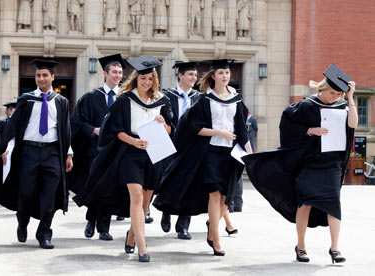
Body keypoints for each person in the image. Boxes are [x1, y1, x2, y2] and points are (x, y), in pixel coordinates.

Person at [243, 64, 357, 264]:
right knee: (305, 204)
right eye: (332, 93)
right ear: (321, 89)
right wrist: (309, 131)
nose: (334, 96)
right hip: (310, 163)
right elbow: (288, 127)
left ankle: (335, 248)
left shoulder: (342, 105)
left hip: (331, 163)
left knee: (333, 205)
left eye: (338, 93)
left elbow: (353, 125)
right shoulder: (306, 106)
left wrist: (350, 97)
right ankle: (301, 246)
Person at [74, 54, 173, 262]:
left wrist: (163, 123)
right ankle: (143, 247)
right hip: (131, 153)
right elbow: (114, 130)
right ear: (136, 78)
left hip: (154, 153)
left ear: (154, 80)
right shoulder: (125, 99)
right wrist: (132, 141)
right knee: (136, 196)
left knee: (145, 202)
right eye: (142, 78)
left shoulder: (162, 101)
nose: (146, 83)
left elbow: (171, 129)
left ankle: (131, 235)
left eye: (150, 79)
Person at [153, 59, 252, 256]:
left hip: (230, 155)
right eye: (221, 73)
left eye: (227, 73)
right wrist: (219, 132)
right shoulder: (205, 100)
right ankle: (216, 239)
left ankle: (211, 228)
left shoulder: (237, 99)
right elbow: (194, 128)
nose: (225, 76)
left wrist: (251, 154)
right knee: (214, 194)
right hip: (210, 153)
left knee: (226, 198)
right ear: (213, 76)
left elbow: (241, 129)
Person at [0, 59, 73, 249]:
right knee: (26, 192)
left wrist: (69, 154)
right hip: (29, 151)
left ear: (52, 77)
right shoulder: (26, 99)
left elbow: (65, 129)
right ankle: (22, 221)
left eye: (45, 75)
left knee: (50, 195)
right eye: (38, 75)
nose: (41, 78)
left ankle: (44, 234)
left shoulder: (61, 102)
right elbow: (16, 127)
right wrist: (8, 149)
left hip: (52, 152)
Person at [70, 53, 126, 241]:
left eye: (120, 73)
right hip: (93, 151)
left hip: (116, 152)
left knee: (109, 189)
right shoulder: (91, 97)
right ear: (105, 73)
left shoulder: (124, 99)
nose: (118, 76)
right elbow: (77, 122)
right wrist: (93, 130)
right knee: (94, 186)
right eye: (114, 72)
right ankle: (91, 220)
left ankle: (103, 227)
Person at [159, 61, 200, 240]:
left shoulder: (199, 98)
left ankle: (183, 225)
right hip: (170, 145)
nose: (193, 78)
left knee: (190, 185)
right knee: (168, 181)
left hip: (192, 147)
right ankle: (166, 212)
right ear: (180, 76)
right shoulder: (167, 96)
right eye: (190, 74)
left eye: (195, 75)